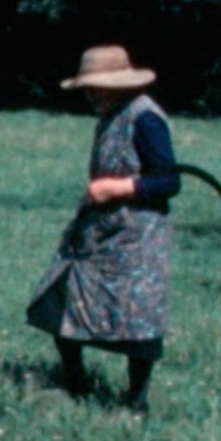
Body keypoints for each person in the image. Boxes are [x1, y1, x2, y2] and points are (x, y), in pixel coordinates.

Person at [27, 44, 181, 415]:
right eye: (88, 88)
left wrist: (120, 187)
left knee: (137, 321)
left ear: (118, 84)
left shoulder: (145, 118)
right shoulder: (111, 114)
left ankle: (136, 401)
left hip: (136, 238)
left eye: (97, 87)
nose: (91, 95)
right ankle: (76, 383)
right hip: (99, 231)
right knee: (56, 299)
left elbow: (169, 181)